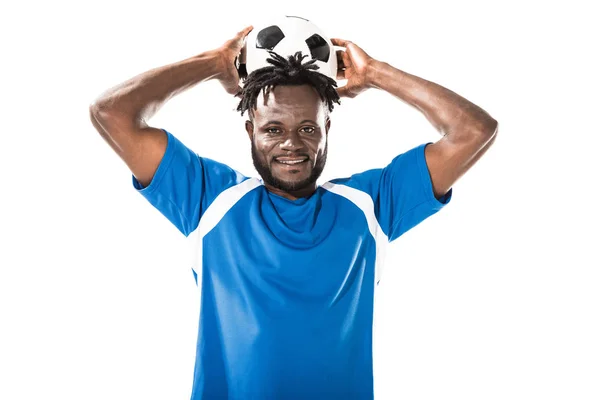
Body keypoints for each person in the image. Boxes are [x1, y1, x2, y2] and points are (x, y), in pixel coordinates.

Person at [89, 25, 497, 400]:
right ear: (250, 130)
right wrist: (213, 65)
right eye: (273, 129)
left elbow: (474, 131)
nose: (291, 144)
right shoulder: (208, 199)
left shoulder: (370, 204)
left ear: (326, 131)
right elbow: (111, 113)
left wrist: (375, 73)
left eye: (307, 128)